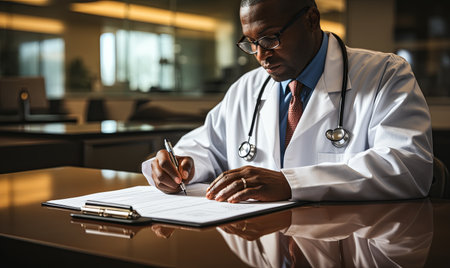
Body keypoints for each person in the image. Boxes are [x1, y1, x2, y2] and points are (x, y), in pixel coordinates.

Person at [142, 0, 433, 202]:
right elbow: (206, 146)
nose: (260, 55)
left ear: (311, 20)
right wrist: (182, 164)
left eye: (270, 38)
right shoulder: (247, 88)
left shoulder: (384, 74)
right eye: (250, 42)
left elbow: (407, 166)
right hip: (266, 239)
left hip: (352, 239)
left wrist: (291, 183)